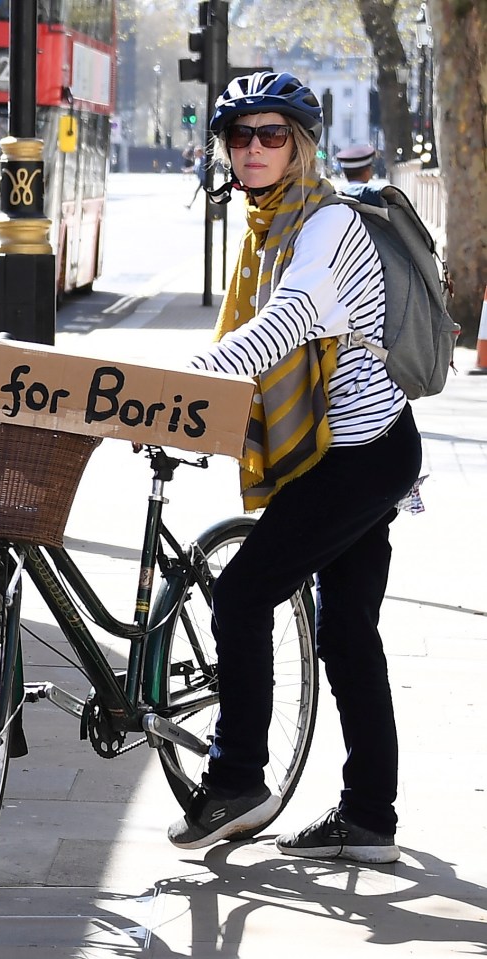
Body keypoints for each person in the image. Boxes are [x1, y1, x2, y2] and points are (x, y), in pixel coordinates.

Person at [168, 72, 422, 864]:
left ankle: (239, 778)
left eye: (270, 135)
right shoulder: (268, 225)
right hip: (351, 451)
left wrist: (188, 386)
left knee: (243, 596)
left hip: (359, 455)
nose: (252, 150)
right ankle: (370, 817)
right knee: (348, 635)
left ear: (301, 145)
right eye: (238, 136)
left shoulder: (326, 225)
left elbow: (293, 318)